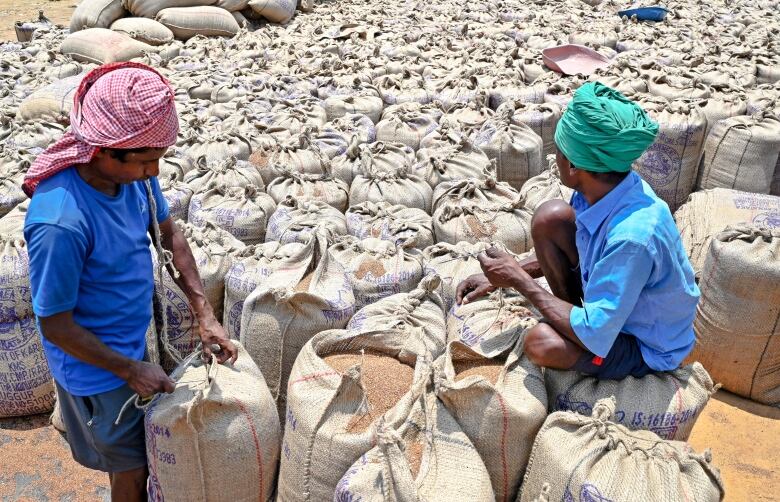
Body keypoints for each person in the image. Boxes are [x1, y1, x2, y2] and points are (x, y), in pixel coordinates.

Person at [22, 62, 237, 502]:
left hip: (129, 344)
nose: (154, 172)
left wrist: (205, 313)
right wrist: (128, 369)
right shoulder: (60, 221)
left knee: (143, 455)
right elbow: (56, 325)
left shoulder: (133, 178)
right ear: (103, 150)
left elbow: (169, 235)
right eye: (146, 162)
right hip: (95, 368)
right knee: (132, 469)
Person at [457, 82, 700, 380]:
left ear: (573, 166)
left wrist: (517, 280)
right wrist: (498, 279)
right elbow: (585, 247)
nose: (554, 159)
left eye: (558, 152)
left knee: (541, 343)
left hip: (645, 343)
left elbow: (598, 332)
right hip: (617, 306)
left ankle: (580, 334)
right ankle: (574, 319)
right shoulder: (602, 189)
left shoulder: (634, 237)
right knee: (550, 217)